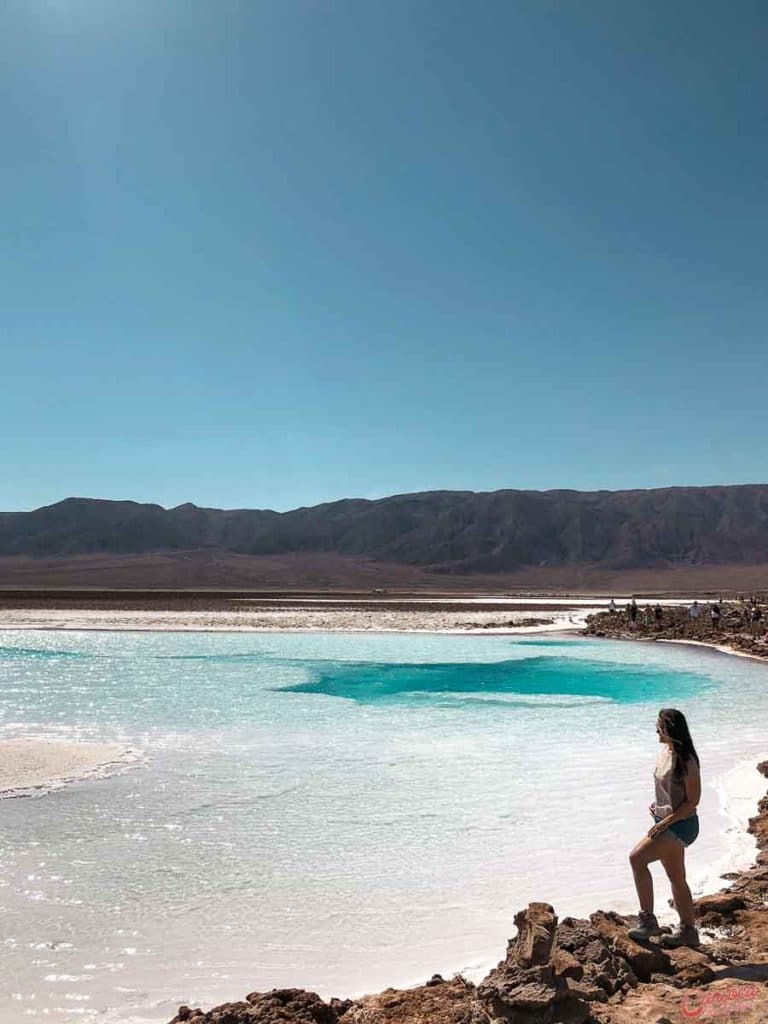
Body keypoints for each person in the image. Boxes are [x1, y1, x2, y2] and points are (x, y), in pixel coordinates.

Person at [628, 709, 701, 948]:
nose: (655, 730)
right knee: (676, 878)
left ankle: (648, 921)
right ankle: (688, 932)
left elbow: (693, 800)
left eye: (658, 725)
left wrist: (665, 822)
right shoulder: (665, 752)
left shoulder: (687, 759)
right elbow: (669, 790)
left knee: (637, 859)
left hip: (682, 825)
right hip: (667, 822)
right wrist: (658, 807)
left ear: (668, 728)